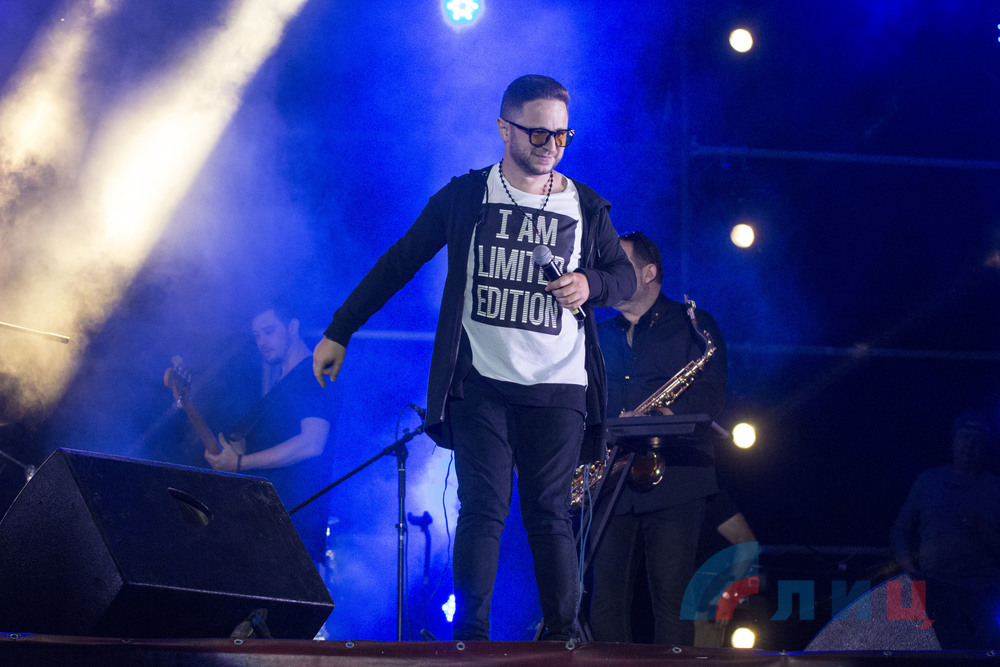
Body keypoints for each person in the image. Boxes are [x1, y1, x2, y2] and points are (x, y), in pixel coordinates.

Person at [311, 74, 636, 641]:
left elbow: (624, 278)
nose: (551, 146)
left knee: (548, 512)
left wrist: (591, 283)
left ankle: (562, 637)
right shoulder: (466, 196)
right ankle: (471, 640)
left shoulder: (585, 204)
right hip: (480, 382)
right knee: (483, 508)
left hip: (559, 385)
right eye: (538, 134)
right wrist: (341, 329)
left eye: (562, 135)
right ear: (504, 129)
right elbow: (401, 260)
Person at [589, 230, 727, 645]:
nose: (608, 276)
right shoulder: (597, 333)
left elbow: (710, 394)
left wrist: (664, 416)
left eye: (619, 266)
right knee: (604, 602)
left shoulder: (694, 325)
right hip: (610, 479)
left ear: (649, 273)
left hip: (676, 479)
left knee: (671, 601)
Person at [204, 304, 339, 565]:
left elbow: (312, 442)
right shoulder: (281, 385)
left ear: (292, 327)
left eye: (269, 331)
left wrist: (240, 462)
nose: (262, 342)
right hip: (266, 522)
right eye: (256, 335)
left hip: (295, 526)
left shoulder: (311, 374)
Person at [890, 411, 1000, 649]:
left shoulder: (995, 488)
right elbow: (900, 531)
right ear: (953, 441)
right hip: (934, 589)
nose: (970, 445)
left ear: (986, 445)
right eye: (965, 436)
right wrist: (911, 571)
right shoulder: (928, 481)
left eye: (977, 438)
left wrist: (982, 528)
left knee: (980, 656)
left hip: (983, 592)